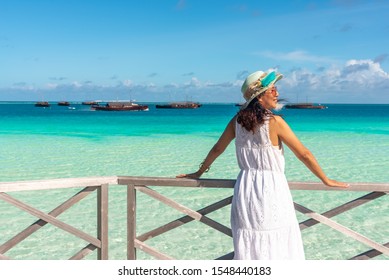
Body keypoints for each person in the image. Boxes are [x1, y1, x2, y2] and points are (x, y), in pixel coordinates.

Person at [177, 70, 349, 260]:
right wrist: (326, 179)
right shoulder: (275, 122)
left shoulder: (237, 121)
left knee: (250, 247)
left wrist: (199, 172)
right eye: (272, 90)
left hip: (245, 189)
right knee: (277, 245)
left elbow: (218, 149)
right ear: (259, 96)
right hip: (272, 191)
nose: (277, 94)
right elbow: (304, 154)